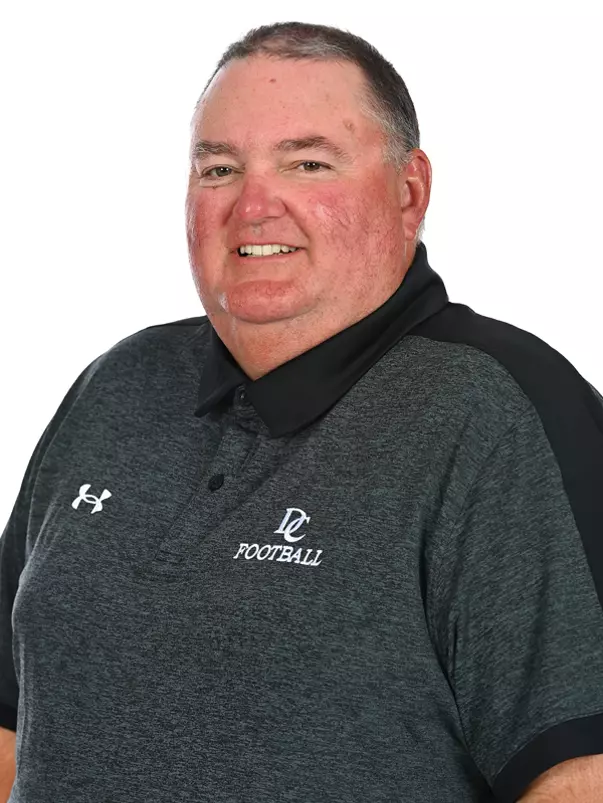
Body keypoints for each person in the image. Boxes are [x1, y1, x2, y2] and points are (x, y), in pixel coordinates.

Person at [1, 20, 603, 803]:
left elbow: (579, 773)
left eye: (307, 163)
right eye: (218, 168)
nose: (253, 206)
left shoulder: (496, 407)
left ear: (408, 191)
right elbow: (11, 719)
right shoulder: (119, 385)